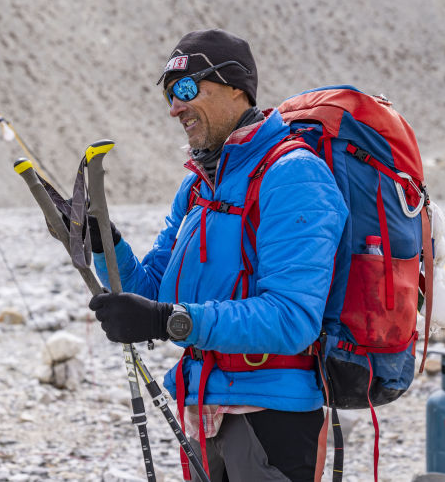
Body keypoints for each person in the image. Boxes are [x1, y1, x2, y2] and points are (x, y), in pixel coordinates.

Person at [88, 29, 349, 482]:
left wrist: (169, 321)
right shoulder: (197, 186)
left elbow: (292, 318)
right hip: (203, 410)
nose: (175, 107)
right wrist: (104, 244)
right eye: (170, 95)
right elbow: (150, 292)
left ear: (236, 89)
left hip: (272, 417)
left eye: (187, 88)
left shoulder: (294, 175)